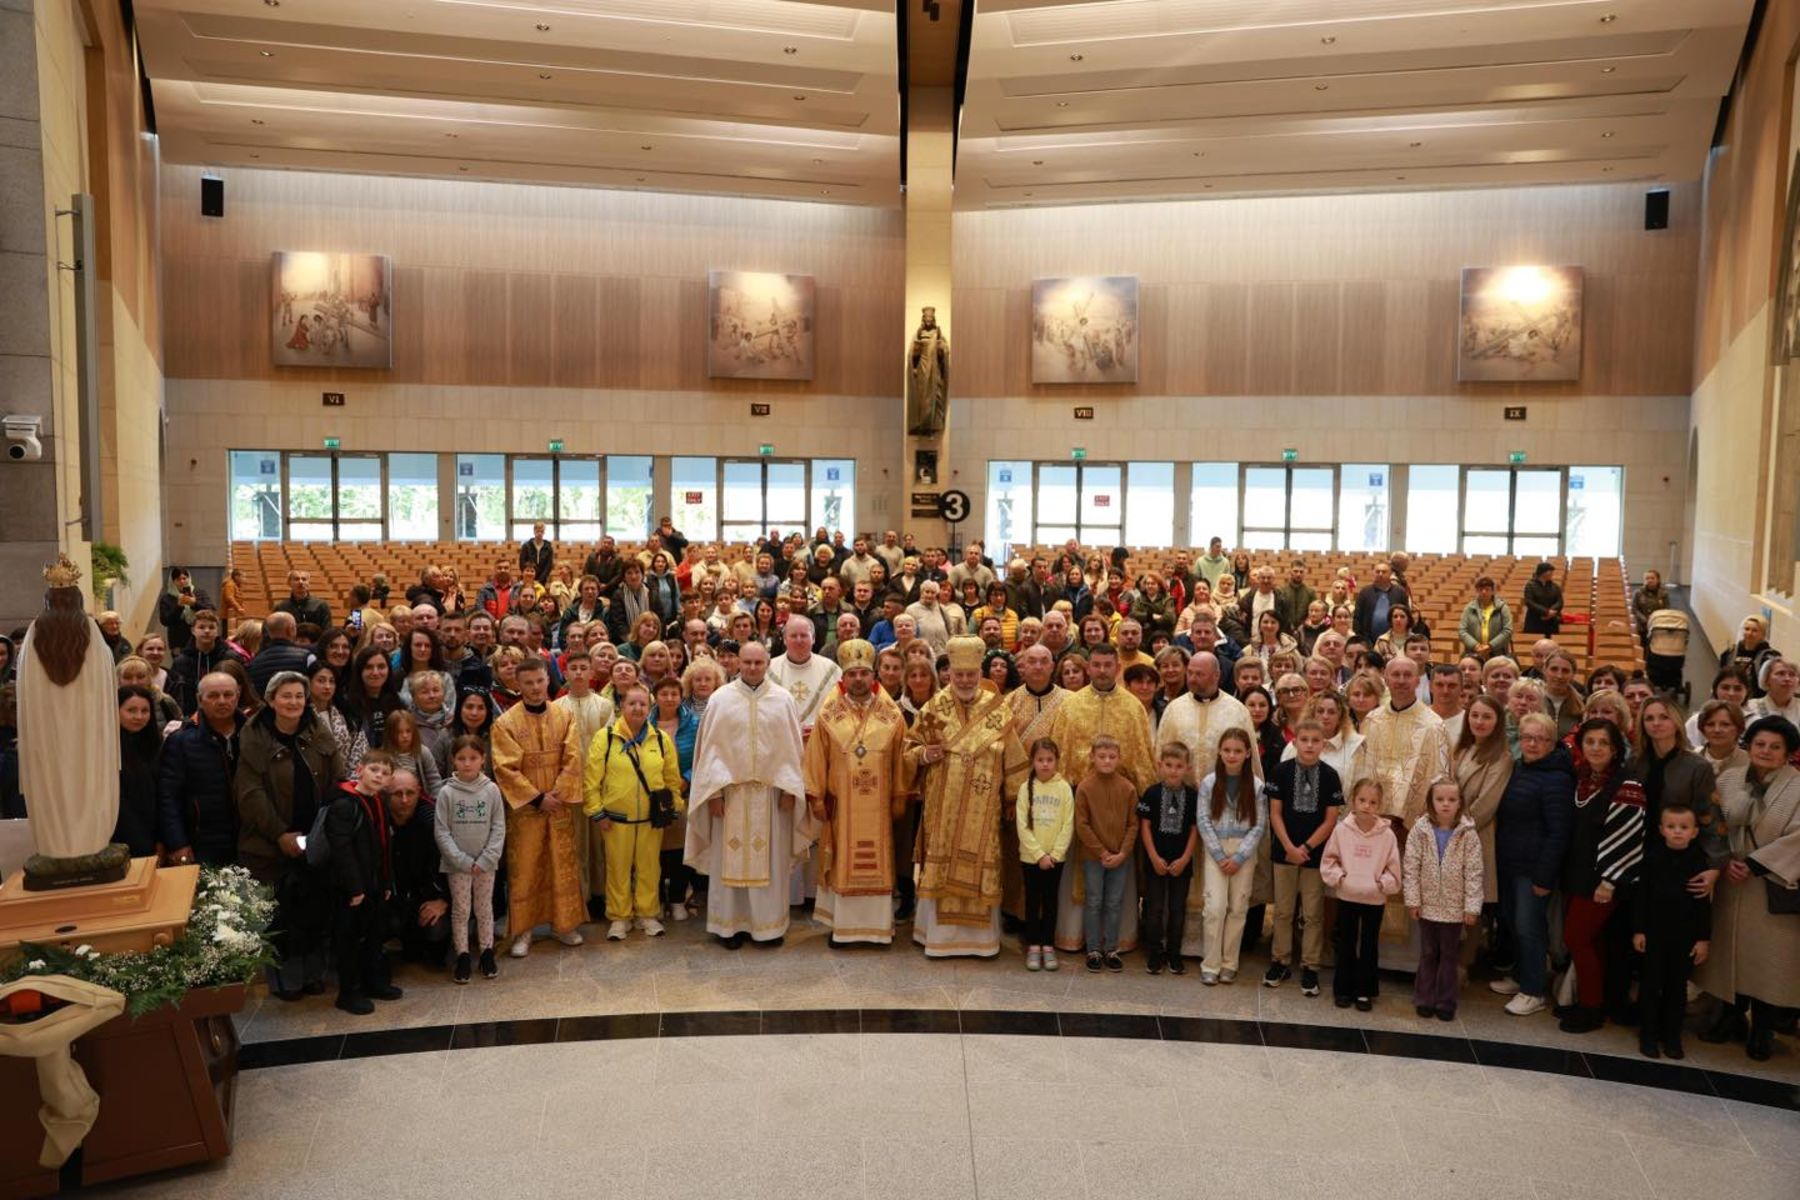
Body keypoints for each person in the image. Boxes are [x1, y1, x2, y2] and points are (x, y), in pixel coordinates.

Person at [906, 635, 1028, 957]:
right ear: (949, 674)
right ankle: (938, 938)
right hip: (941, 808)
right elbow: (908, 751)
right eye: (958, 675)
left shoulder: (997, 712)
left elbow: (1014, 758)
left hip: (984, 809)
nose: (964, 681)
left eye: (970, 675)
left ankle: (980, 943)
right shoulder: (934, 708)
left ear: (979, 673)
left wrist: (1014, 798)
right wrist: (923, 755)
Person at [686, 641, 812, 947]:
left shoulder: (782, 700)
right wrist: (712, 794)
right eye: (747, 662)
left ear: (767, 662)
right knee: (726, 864)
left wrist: (789, 790)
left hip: (771, 798)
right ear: (737, 663)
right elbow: (709, 752)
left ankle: (767, 928)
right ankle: (729, 928)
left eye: (758, 662)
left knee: (771, 865)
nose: (753, 668)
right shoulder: (720, 700)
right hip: (729, 797)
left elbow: (792, 752)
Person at [235, 671, 346, 999]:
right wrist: (281, 834)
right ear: (271, 700)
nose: (293, 702)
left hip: (314, 837)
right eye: (286, 696)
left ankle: (313, 974)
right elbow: (249, 792)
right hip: (271, 842)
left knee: (313, 910)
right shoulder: (254, 735)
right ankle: (286, 980)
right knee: (281, 916)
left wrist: (322, 832)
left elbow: (336, 778)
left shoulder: (317, 731)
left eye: (299, 695)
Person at [1697, 714, 1800, 1062]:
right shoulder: (1727, 779)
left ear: (1788, 753)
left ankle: (1763, 1027)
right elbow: (1711, 823)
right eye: (1760, 744)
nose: (1766, 751)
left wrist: (1755, 864)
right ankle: (1729, 1016)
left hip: (1770, 884)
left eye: (1775, 747)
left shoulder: (1798, 786)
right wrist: (1725, 859)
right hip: (1729, 881)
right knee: (1728, 955)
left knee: (1769, 960)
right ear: (1749, 745)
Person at [804, 640, 912, 947]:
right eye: (852, 675)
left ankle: (877, 929)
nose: (859, 680)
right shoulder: (829, 713)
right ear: (844, 679)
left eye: (864, 674)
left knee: (877, 862)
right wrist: (816, 796)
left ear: (873, 675)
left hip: (878, 808)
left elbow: (902, 758)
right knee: (842, 863)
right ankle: (844, 929)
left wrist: (900, 795)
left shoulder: (891, 714)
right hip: (841, 808)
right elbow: (815, 757)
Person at [490, 657, 587, 957]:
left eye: (539, 681)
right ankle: (524, 930)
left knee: (561, 864)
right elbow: (505, 767)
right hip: (526, 810)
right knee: (527, 868)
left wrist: (555, 794)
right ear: (518, 685)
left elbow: (573, 756)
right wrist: (537, 798)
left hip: (558, 803)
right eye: (528, 683)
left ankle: (564, 925)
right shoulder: (505, 723)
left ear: (548, 680)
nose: (534, 688)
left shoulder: (564, 715)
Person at [1558, 718, 1646, 1032]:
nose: (1596, 748)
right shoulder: (1582, 778)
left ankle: (1591, 1008)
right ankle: (1592, 1000)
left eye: (1603, 743)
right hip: (1577, 875)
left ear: (1615, 748)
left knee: (1577, 938)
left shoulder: (1627, 785)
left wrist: (1610, 881)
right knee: (1590, 943)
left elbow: (1628, 837)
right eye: (1590, 742)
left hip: (1603, 881)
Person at [584, 682, 685, 941]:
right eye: (632, 703)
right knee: (617, 869)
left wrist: (674, 808)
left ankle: (647, 914)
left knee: (650, 868)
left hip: (651, 820)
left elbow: (672, 779)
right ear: (621, 706)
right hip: (616, 819)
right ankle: (619, 917)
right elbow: (592, 779)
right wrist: (598, 812)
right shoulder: (605, 738)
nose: (637, 708)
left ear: (649, 706)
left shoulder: (660, 740)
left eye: (642, 703)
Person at [1490, 712, 1575, 1017]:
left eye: (1541, 739)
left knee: (1529, 927)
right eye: (1527, 737)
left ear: (1553, 743)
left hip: (1534, 869)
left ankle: (1534, 990)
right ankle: (1521, 975)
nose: (1533, 743)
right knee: (1512, 921)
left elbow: (1558, 832)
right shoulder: (1520, 768)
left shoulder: (1558, 779)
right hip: (1511, 863)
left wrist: (1544, 876)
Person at [1263, 718, 1343, 995]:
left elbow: (1331, 819)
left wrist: (1306, 848)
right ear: (1294, 742)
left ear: (1323, 745)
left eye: (1315, 741)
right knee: (1283, 911)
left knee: (1312, 914)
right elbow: (1274, 813)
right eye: (1304, 740)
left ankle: (1310, 966)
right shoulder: (1280, 771)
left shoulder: (1331, 776)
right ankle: (1280, 961)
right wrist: (1288, 847)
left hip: (1315, 854)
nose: (1309, 745)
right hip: (1283, 852)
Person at [325, 747, 401, 1016]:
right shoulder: (344, 803)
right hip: (351, 887)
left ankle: (373, 983)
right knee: (350, 941)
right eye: (374, 770)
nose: (379, 776)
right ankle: (349, 992)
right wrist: (354, 888)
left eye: (385, 773)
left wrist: (387, 882)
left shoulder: (378, 800)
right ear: (359, 770)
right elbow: (341, 850)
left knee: (373, 936)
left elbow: (385, 845)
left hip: (375, 883)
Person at [1633, 802, 1712, 1060]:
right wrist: (1639, 930)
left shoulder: (1699, 861)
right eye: (1671, 826)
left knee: (1677, 988)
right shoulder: (1652, 858)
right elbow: (1641, 897)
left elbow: (1703, 903)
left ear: (1694, 832)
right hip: (1655, 933)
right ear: (1661, 829)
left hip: (1685, 936)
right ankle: (1648, 1034)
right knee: (1650, 985)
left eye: (1684, 827)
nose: (1677, 831)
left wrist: (1703, 939)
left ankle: (1672, 1037)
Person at [1405, 778, 1484, 1020]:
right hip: (1427, 905)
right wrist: (1413, 900)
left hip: (1454, 907)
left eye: (1451, 800)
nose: (1446, 805)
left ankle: (1445, 1001)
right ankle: (1424, 998)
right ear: (1431, 802)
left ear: (1460, 803)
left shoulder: (1468, 834)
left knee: (1449, 954)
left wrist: (1471, 907)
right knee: (1428, 952)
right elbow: (1411, 866)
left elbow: (1474, 873)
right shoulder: (1420, 830)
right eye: (1440, 799)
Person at [1321, 779, 1401, 1011]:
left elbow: (1393, 868)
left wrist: (1381, 884)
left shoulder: (1387, 835)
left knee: (1369, 944)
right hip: (1347, 897)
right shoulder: (1341, 830)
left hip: (1374, 900)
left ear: (1380, 805)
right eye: (1362, 800)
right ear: (1353, 801)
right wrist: (1340, 880)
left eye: (1373, 802)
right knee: (1345, 943)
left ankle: (1365, 991)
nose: (1367, 805)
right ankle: (1343, 989)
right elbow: (1329, 860)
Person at [1193, 727, 1265, 985]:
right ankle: (1210, 963)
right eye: (1227, 750)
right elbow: (1203, 819)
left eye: (1237, 751)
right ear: (1220, 752)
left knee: (1237, 907)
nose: (1232, 755)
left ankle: (1229, 962)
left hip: (1243, 854)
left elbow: (1258, 825)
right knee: (1215, 907)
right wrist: (1219, 854)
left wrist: (1239, 857)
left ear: (1247, 754)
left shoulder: (1256, 786)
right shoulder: (1209, 783)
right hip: (1216, 852)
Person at [1360, 656, 1449, 827]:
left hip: (1411, 824)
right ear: (1386, 679)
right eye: (1396, 675)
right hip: (1371, 815)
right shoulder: (1372, 720)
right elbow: (1361, 768)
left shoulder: (1433, 725)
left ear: (1417, 681)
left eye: (1407, 675)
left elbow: (1440, 776)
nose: (1401, 680)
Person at [1073, 734, 1136, 973]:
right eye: (1102, 756)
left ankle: (1111, 948)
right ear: (1092, 757)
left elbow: (1133, 824)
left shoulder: (1128, 788)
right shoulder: (1085, 788)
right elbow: (1082, 825)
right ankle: (1093, 950)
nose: (1107, 761)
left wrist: (1122, 853)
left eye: (1112, 757)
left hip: (1121, 857)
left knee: (1113, 903)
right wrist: (1101, 852)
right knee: (1094, 901)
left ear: (1119, 758)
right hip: (1093, 858)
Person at [1138, 742, 1199, 976]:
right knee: (1153, 908)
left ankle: (1174, 953)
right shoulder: (1152, 793)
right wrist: (1153, 856)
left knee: (1177, 908)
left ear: (1187, 768)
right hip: (1156, 861)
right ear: (1160, 765)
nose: (1173, 770)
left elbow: (1194, 829)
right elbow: (1145, 826)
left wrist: (1185, 858)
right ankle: (1154, 952)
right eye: (1169, 765)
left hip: (1181, 863)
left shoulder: (1193, 796)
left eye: (1179, 766)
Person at [1016, 737, 1074, 971]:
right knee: (1032, 902)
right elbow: (1022, 825)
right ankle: (1033, 946)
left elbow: (1068, 824)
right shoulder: (1025, 788)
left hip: (1055, 859)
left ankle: (1048, 945)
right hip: (1031, 858)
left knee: (1050, 902)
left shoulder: (1063, 788)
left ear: (1057, 761)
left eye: (1050, 760)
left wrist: (1055, 854)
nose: (1045, 764)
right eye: (1040, 760)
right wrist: (1039, 854)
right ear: (1033, 762)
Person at [768, 617, 842, 738]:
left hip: (821, 740)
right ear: (785, 640)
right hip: (780, 741)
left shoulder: (831, 670)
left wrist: (820, 727)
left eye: (804, 635)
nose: (799, 640)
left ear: (813, 639)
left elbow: (841, 709)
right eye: (793, 636)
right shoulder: (768, 670)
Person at [114, 685, 163, 859]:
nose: (139, 717)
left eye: (145, 711)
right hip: (122, 840)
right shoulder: (107, 749)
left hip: (155, 833)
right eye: (131, 710)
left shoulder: (156, 745)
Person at [1719, 615, 1779, 699]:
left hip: (1757, 701)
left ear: (1763, 634)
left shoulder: (1771, 657)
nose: (1749, 633)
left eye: (1755, 631)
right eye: (1747, 629)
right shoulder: (1729, 653)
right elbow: (1721, 677)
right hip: (1732, 697)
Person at [1457, 576, 1514, 662]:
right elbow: (1462, 631)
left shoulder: (1502, 608)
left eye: (1487, 589)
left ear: (1492, 591)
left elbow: (1508, 630)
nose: (1484, 592)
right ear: (1477, 591)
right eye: (1481, 590)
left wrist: (1490, 646)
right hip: (1473, 653)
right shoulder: (1469, 608)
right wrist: (1476, 646)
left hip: (1497, 654)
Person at [1351, 562, 1409, 645]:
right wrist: (1361, 638)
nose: (1380, 574)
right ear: (1373, 573)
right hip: (1367, 640)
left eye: (1384, 572)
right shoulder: (1365, 592)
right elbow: (1357, 617)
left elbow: (1406, 614)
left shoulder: (1400, 592)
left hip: (1394, 640)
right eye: (1377, 572)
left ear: (1390, 574)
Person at [1521, 562, 1564, 637]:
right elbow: (1529, 602)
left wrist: (1551, 612)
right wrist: (1546, 612)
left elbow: (1559, 602)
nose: (1551, 573)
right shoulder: (1530, 585)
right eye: (1549, 571)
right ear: (1542, 572)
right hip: (1534, 621)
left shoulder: (1555, 587)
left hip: (1551, 622)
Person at [1630, 570, 1670, 642]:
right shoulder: (1638, 593)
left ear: (1658, 580)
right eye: (1647, 578)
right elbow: (1634, 609)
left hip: (1658, 625)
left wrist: (1656, 618)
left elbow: (1667, 609)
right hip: (1642, 625)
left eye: (1652, 578)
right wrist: (1644, 619)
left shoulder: (1664, 593)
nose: (1649, 580)